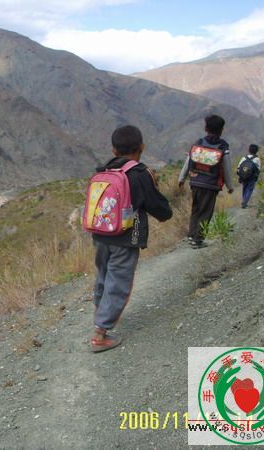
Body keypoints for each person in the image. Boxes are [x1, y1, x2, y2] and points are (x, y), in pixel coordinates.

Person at [90, 125, 172, 352]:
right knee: (119, 280)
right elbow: (157, 206)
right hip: (126, 237)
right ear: (142, 147)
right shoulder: (140, 173)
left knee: (104, 273)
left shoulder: (104, 170)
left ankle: (101, 310)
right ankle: (100, 334)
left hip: (100, 233)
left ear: (114, 150)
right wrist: (166, 213)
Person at [178, 114, 234, 249]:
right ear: (221, 130)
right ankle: (198, 240)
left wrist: (181, 178)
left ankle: (191, 235)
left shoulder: (199, 143)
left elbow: (188, 161)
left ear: (206, 128)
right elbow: (226, 167)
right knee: (206, 212)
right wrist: (230, 185)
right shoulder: (223, 146)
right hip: (211, 184)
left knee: (196, 208)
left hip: (195, 182)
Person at [237, 144, 261, 208]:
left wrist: (240, 176)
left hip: (244, 176)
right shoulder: (257, 159)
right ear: (256, 151)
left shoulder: (244, 158)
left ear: (249, 150)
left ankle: (244, 201)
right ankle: (245, 201)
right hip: (252, 177)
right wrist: (256, 177)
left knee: (244, 188)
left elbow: (238, 168)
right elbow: (258, 169)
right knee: (249, 189)